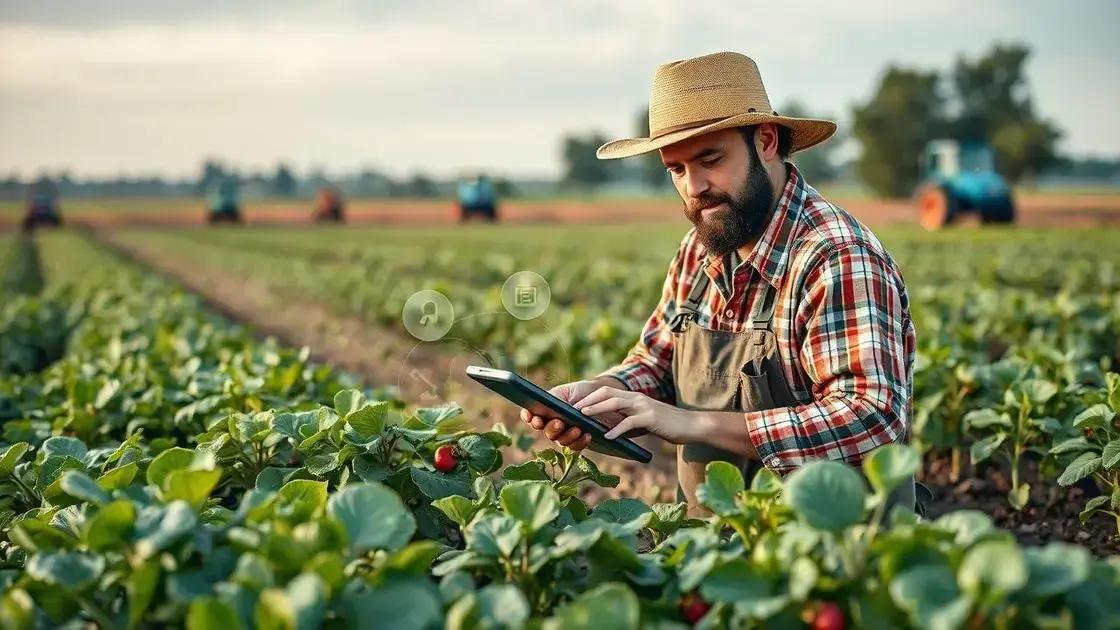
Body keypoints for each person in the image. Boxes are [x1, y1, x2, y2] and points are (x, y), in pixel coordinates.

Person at [519, 51, 918, 515]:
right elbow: (656, 365)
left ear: (766, 141)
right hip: (712, 554)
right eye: (676, 169)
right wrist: (597, 397)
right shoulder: (698, 249)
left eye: (710, 159)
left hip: (835, 552)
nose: (693, 186)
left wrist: (697, 424)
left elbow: (871, 417)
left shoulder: (837, 258)